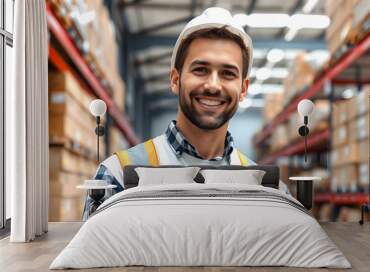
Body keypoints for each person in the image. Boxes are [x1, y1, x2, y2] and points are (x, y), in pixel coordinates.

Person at [82, 7, 289, 221]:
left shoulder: (270, 190)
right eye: (200, 69)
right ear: (175, 80)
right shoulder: (116, 177)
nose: (213, 85)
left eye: (228, 73)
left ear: (243, 89)